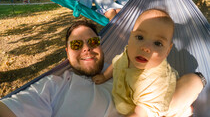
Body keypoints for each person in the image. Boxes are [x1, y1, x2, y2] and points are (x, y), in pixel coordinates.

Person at [0, 20, 205, 117]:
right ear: (67, 52)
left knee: (195, 80)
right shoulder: (53, 86)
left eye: (92, 41)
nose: (87, 48)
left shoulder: (127, 66)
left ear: (101, 44)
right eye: (77, 45)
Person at [92, 9, 206, 117]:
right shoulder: (128, 53)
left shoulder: (155, 80)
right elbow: (116, 64)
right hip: (142, 98)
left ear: (168, 50)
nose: (145, 48)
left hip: (163, 96)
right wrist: (104, 76)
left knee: (169, 106)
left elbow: (141, 113)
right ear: (130, 37)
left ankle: (186, 104)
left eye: (157, 43)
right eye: (140, 37)